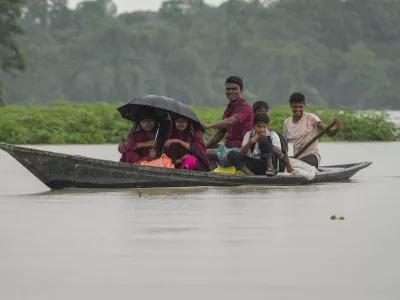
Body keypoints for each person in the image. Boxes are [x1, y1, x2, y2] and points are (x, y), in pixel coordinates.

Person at [201, 76, 253, 167]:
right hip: (228, 148)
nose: (231, 92)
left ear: (241, 91)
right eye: (228, 89)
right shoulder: (229, 108)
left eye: (234, 89)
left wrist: (209, 126)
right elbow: (221, 132)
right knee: (202, 151)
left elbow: (231, 121)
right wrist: (202, 147)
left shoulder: (245, 107)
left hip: (240, 150)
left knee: (206, 154)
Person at [283, 92, 342, 168]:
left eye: (300, 107)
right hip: (297, 159)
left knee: (295, 165)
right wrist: (285, 158)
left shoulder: (311, 118)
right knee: (286, 164)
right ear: (291, 106)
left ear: (304, 106)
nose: (298, 109)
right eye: (295, 107)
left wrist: (337, 129)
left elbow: (329, 133)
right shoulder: (287, 122)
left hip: (313, 157)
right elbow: (284, 145)